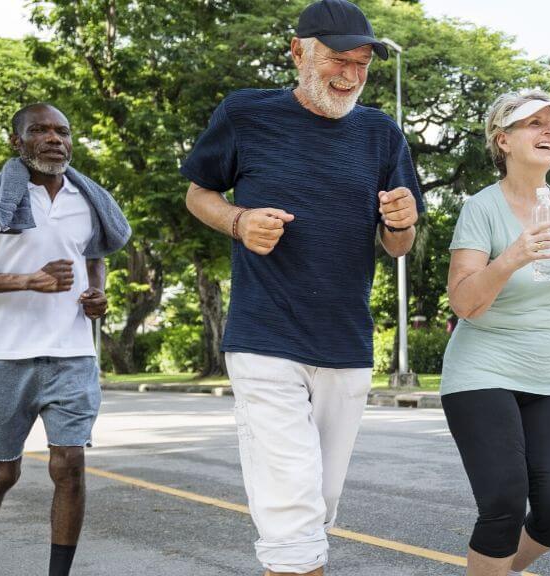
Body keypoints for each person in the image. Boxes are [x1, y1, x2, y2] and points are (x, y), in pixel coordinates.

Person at [181, 1, 423, 574]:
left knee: (318, 507)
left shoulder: (382, 135)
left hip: (346, 346)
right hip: (266, 340)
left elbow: (398, 247)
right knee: (291, 513)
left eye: (362, 64)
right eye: (339, 60)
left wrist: (402, 221)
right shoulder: (246, 115)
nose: (350, 76)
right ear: (298, 51)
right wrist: (239, 222)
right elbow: (198, 195)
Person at [0, 103, 130, 576]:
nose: (54, 138)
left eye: (62, 130)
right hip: (1, 355)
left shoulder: (89, 199)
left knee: (70, 467)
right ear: (16, 142)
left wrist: (97, 292)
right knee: (3, 473)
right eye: (39, 130)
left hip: (73, 353)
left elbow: (93, 256)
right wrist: (25, 281)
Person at [440, 90, 550, 576]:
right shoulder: (481, 208)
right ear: (503, 141)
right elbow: (464, 302)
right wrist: (511, 256)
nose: (547, 130)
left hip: (545, 373)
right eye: (532, 123)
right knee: (504, 501)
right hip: (480, 370)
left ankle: (498, 571)